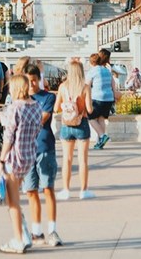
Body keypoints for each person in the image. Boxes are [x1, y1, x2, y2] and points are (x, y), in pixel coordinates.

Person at [0, 73, 43, 254]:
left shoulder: (15, 108)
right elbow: (38, 128)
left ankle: (18, 239)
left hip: (14, 157)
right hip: (28, 155)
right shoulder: (36, 106)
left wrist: (1, 158)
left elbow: (9, 137)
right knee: (14, 198)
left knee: (12, 202)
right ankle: (22, 233)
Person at [23, 64, 62, 247]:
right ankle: (36, 231)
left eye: (33, 80)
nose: (31, 84)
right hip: (26, 149)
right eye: (28, 81)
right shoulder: (21, 98)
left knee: (48, 188)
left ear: (39, 79)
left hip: (44, 146)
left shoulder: (48, 97)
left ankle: (52, 230)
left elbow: (42, 119)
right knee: (31, 191)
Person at [54, 57, 94, 201]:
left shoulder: (63, 87)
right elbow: (89, 109)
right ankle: (84, 190)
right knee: (83, 160)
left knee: (67, 159)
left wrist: (67, 107)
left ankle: (66, 189)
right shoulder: (85, 87)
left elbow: (55, 108)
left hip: (66, 124)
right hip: (81, 123)